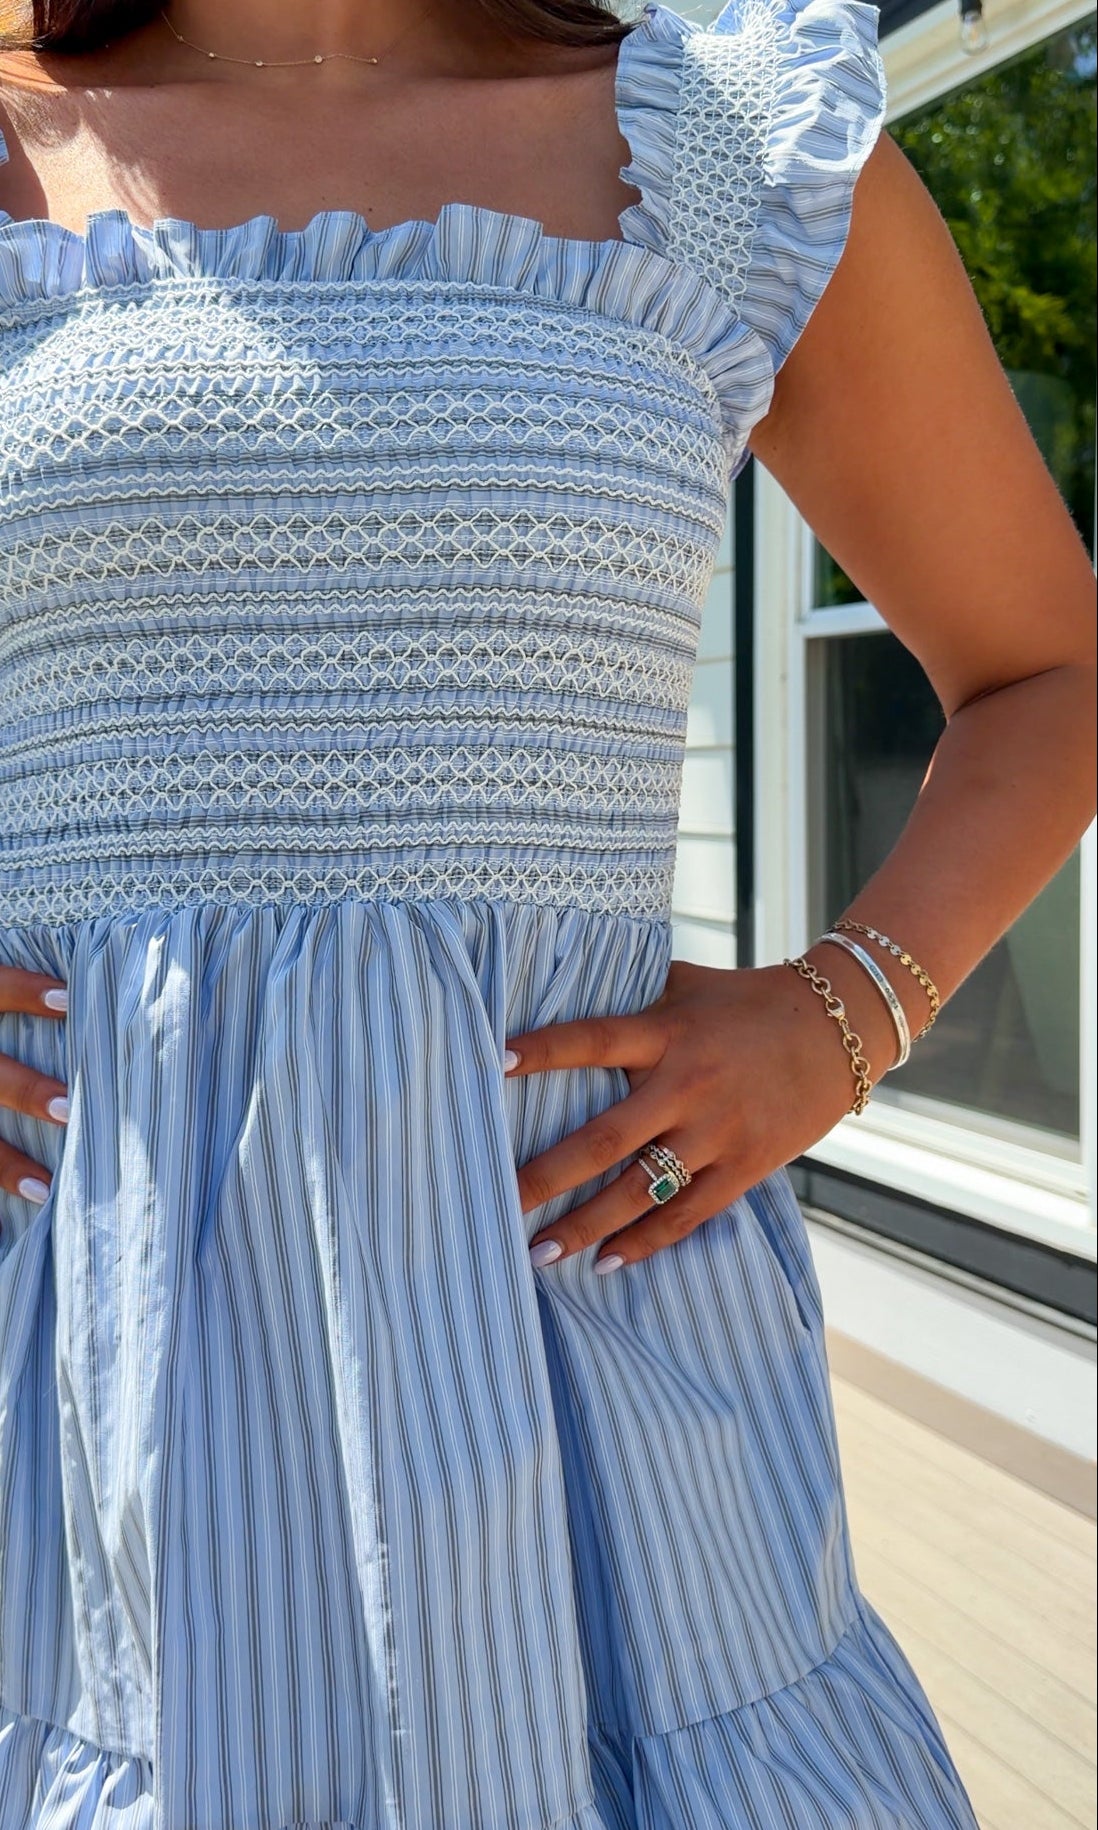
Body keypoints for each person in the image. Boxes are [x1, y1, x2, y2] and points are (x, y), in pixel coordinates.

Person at [0, 0, 1092, 1823]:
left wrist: (844, 1016)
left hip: (589, 1361)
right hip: (81, 1374)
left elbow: (1048, 667)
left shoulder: (726, 152)